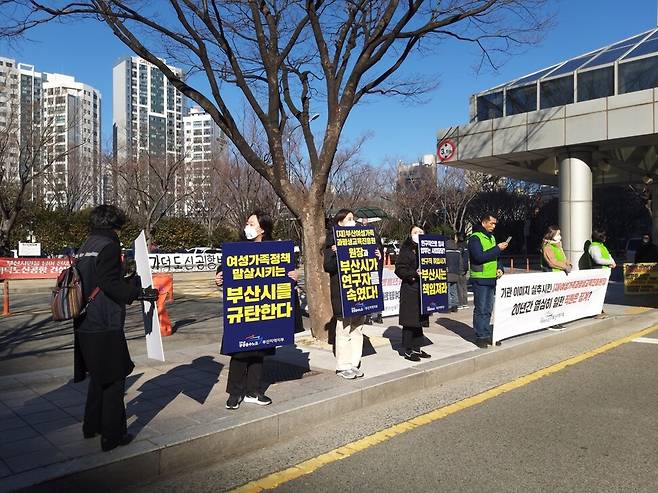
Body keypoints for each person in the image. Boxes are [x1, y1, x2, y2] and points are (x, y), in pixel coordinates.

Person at [73, 205, 159, 452]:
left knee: (99, 375)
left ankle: (92, 426)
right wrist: (139, 293)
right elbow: (109, 285)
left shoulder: (88, 244)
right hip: (104, 322)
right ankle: (113, 435)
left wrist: (128, 282)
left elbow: (98, 280)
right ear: (114, 225)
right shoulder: (109, 245)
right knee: (114, 378)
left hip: (84, 320)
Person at [215, 211, 299, 410]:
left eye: (251, 223)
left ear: (262, 228)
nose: (248, 226)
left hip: (265, 309)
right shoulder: (238, 248)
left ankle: (253, 391)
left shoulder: (276, 250)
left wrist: (293, 276)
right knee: (240, 352)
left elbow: (287, 274)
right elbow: (225, 269)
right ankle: (235, 393)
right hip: (244, 310)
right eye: (247, 223)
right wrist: (219, 277)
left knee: (259, 352)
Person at [324, 209, 381, 379]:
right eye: (349, 219)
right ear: (340, 222)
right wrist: (336, 253)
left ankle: (354, 363)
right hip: (343, 294)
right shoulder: (331, 243)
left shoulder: (364, 240)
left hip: (361, 292)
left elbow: (373, 270)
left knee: (357, 328)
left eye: (353, 219)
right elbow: (328, 267)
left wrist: (376, 257)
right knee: (343, 329)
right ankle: (343, 365)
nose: (353, 221)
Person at [468, 212, 508, 348]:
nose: (494, 226)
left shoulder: (491, 237)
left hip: (491, 277)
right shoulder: (475, 238)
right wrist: (497, 248)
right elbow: (479, 257)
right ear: (484, 223)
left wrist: (500, 268)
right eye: (492, 223)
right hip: (480, 277)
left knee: (488, 308)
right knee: (481, 308)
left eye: (495, 224)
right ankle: (480, 336)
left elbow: (496, 257)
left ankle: (485, 333)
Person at [395, 225, 431, 361]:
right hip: (410, 288)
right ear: (410, 235)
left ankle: (417, 347)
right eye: (415, 232)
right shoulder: (406, 250)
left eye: (421, 232)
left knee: (419, 321)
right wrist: (413, 274)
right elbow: (399, 270)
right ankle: (408, 350)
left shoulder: (428, 249)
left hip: (423, 289)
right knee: (410, 322)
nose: (418, 234)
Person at [446, 238, 464, 312]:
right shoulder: (457, 252)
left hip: (448, 273)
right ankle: (455, 305)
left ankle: (449, 306)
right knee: (454, 290)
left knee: (447, 290)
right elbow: (460, 263)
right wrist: (460, 272)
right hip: (456, 273)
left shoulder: (445, 252)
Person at [455, 232, 470, 309]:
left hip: (459, 268)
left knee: (459, 286)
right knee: (464, 286)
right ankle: (465, 303)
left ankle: (460, 304)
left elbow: (459, 259)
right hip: (465, 268)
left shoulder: (458, 246)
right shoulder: (466, 245)